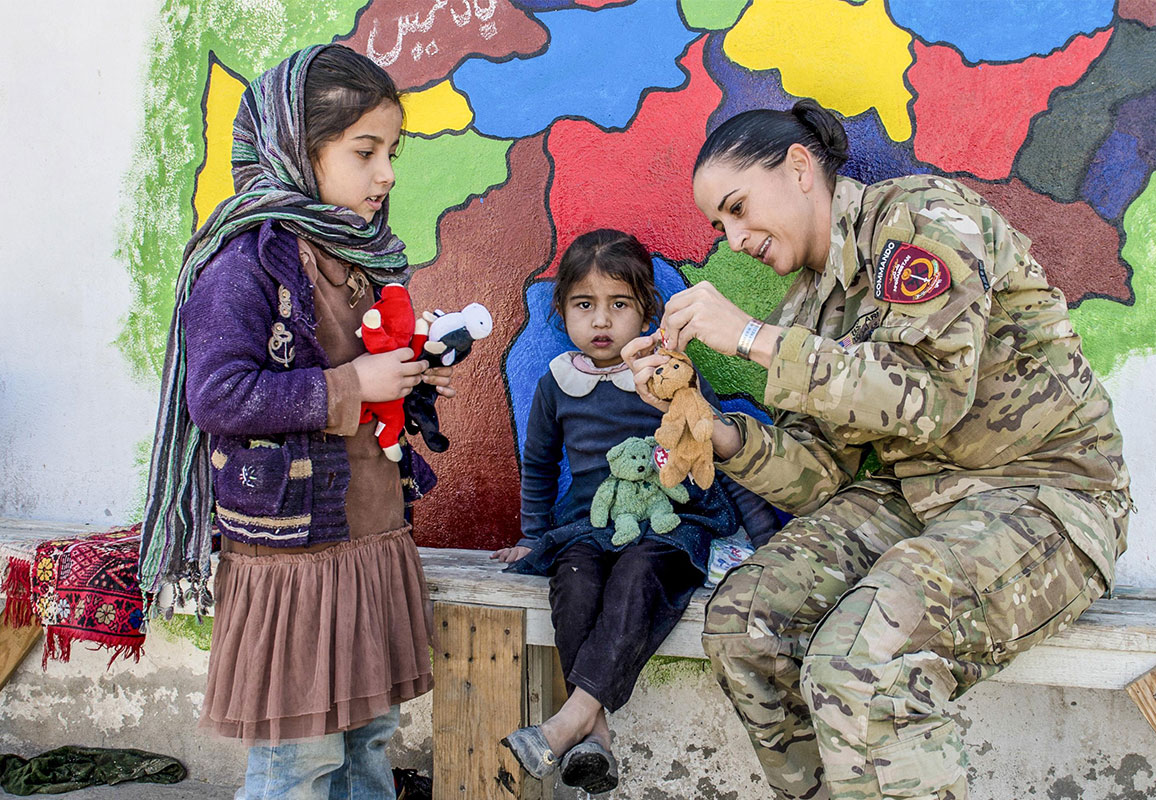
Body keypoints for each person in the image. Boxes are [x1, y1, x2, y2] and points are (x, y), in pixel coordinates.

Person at [623, 99, 1132, 800]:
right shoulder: (807, 308)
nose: (734, 238)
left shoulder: (920, 218)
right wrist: (713, 429)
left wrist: (747, 337)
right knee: (745, 627)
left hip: (1046, 493)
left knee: (859, 660)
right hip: (917, 496)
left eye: (738, 208)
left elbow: (929, 397)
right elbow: (818, 476)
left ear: (798, 168)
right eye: (720, 226)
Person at [138, 45, 453, 799]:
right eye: (365, 152)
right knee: (298, 761)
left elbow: (363, 370)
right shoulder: (244, 263)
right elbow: (217, 397)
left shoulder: (361, 257)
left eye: (392, 152)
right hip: (294, 561)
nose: (387, 174)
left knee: (369, 744)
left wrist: (410, 373)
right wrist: (351, 383)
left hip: (368, 541)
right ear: (295, 152)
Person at [491, 229, 778, 794]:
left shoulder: (667, 375)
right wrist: (533, 536)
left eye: (619, 304)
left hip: (669, 528)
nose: (601, 320)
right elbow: (540, 464)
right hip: (589, 526)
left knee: (637, 577)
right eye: (584, 305)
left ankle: (570, 723)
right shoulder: (558, 384)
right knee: (574, 584)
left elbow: (716, 449)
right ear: (562, 311)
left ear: (646, 311)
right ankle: (594, 735)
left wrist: (768, 538)